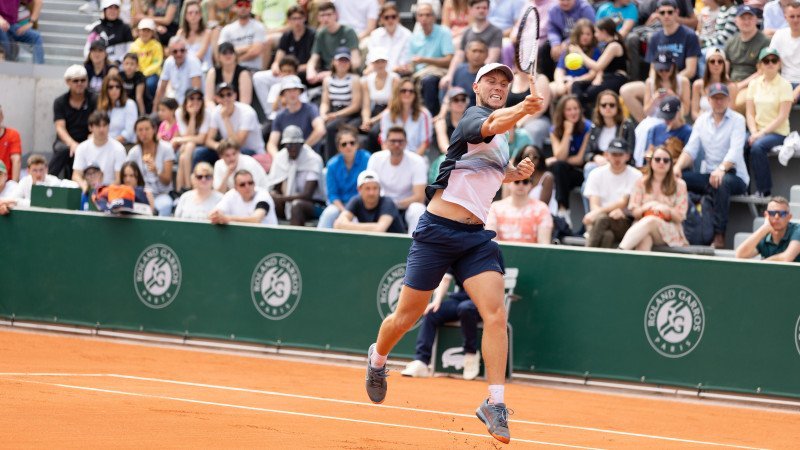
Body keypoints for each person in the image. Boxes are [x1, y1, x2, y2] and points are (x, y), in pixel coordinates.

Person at [364, 62, 543, 445]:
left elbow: (489, 168)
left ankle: (494, 403)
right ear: (477, 87)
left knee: (495, 314)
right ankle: (377, 359)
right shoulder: (473, 118)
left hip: (475, 238)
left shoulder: (503, 137)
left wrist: (515, 172)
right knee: (406, 316)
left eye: (504, 83)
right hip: (437, 232)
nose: (498, 86)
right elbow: (491, 125)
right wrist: (523, 109)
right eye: (491, 81)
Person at [675, 83, 748, 249]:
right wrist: (677, 167)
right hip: (710, 175)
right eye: (715, 98)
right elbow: (690, 150)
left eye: (722, 98)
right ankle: (680, 228)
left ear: (729, 100)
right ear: (708, 100)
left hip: (735, 175)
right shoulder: (701, 120)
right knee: (678, 178)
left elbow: (735, 151)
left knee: (720, 183)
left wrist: (722, 169)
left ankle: (719, 234)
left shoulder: (738, 119)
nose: (719, 102)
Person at [400, 272, 482, 380]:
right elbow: (445, 279)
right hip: (459, 300)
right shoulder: (457, 254)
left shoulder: (491, 254)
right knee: (432, 312)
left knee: (465, 308)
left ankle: (471, 355)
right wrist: (436, 302)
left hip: (483, 302)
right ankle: (421, 361)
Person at [618, 146, 689, 251]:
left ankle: (620, 251)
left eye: (666, 160)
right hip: (642, 227)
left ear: (670, 164)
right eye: (657, 159)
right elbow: (634, 212)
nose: (661, 163)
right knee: (645, 238)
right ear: (651, 162)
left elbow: (680, 217)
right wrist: (646, 208)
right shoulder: (640, 182)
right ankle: (639, 267)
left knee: (650, 221)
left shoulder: (680, 184)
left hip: (670, 229)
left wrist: (666, 209)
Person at [746, 47, 793, 197]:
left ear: (779, 64)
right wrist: (754, 132)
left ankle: (764, 191)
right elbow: (750, 112)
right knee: (741, 143)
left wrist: (760, 134)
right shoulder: (753, 84)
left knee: (757, 147)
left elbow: (782, 116)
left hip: (778, 132)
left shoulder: (785, 85)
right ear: (760, 65)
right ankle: (744, 188)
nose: (770, 63)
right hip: (758, 130)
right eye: (766, 61)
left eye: (774, 60)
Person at [395, 2, 454, 117]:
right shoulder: (414, 37)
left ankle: (430, 117)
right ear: (417, 17)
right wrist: (404, 68)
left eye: (428, 15)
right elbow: (411, 63)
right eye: (421, 15)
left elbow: (449, 60)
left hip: (438, 72)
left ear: (434, 17)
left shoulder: (444, 32)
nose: (424, 18)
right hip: (418, 73)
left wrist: (425, 60)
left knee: (428, 81)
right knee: (397, 79)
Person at [583, 138, 642, 248]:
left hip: (623, 221)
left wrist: (598, 213)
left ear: (627, 156)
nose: (617, 158)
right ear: (607, 155)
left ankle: (586, 254)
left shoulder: (636, 175)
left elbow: (623, 202)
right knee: (607, 236)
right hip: (600, 222)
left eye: (620, 154)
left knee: (602, 219)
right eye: (614, 154)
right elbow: (593, 204)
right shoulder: (596, 174)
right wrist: (599, 213)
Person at [367, 126, 428, 233]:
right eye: (393, 141)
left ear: (406, 143)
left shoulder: (417, 161)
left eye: (400, 141)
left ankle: (414, 246)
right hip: (380, 206)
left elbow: (419, 197)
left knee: (418, 209)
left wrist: (394, 204)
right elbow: (367, 189)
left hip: (406, 208)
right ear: (385, 142)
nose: (397, 144)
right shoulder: (375, 158)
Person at [265, 125, 325, 225]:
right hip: (286, 203)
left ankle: (293, 240)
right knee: (269, 202)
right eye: (287, 145)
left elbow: (307, 195)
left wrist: (281, 198)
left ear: (301, 144)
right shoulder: (281, 158)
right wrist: (274, 194)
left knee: (297, 205)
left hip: (314, 204)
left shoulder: (313, 159)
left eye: (294, 144)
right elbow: (276, 186)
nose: (291, 148)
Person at [440, 0, 503, 93]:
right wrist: (449, 75)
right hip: (467, 70)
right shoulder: (467, 32)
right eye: (478, 8)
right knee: (445, 85)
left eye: (484, 8)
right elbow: (459, 55)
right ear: (471, 9)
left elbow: (492, 58)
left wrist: (478, 76)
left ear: (488, 10)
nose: (481, 10)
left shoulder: (496, 31)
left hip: (486, 72)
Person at [569, 18, 629, 114]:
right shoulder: (606, 45)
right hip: (606, 77)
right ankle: (580, 113)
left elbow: (598, 66)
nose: (595, 35)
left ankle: (584, 116)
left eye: (596, 32)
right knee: (576, 84)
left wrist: (579, 53)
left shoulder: (614, 45)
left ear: (604, 32)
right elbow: (602, 68)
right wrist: (598, 78)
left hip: (617, 78)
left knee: (587, 95)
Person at [547, 95, 591, 225]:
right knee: (559, 167)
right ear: (562, 112)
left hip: (582, 172)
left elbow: (579, 160)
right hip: (565, 173)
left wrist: (555, 159)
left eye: (576, 108)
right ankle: (563, 211)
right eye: (569, 109)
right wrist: (567, 132)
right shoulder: (555, 129)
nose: (573, 112)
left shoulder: (587, 127)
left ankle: (562, 213)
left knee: (558, 165)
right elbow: (560, 157)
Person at [318, 126, 370, 229]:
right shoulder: (332, 164)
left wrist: (350, 211)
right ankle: (318, 242)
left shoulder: (367, 158)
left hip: (361, 204)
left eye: (352, 143)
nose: (348, 146)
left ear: (357, 144)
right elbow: (333, 194)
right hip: (339, 205)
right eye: (344, 144)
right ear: (339, 147)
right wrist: (344, 211)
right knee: (329, 213)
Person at [724, 6, 770, 113]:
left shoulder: (764, 41)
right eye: (743, 18)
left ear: (756, 20)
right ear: (736, 21)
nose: (746, 21)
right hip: (731, 83)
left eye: (750, 18)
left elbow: (762, 71)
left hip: (753, 85)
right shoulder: (731, 41)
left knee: (738, 103)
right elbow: (724, 68)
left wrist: (739, 85)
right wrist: (728, 83)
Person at [127, 116, 176, 216]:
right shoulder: (134, 152)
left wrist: (156, 170)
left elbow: (167, 181)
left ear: (154, 129)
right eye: (140, 130)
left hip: (161, 194)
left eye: (147, 129)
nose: (144, 133)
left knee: (165, 206)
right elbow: (128, 177)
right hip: (140, 194)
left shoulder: (166, 148)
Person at [320, 48, 363, 162]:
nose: (342, 63)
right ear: (334, 62)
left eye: (346, 61)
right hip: (334, 112)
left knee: (331, 128)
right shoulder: (327, 80)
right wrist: (323, 114)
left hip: (350, 114)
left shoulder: (354, 79)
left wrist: (336, 115)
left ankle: (330, 160)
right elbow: (325, 102)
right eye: (340, 60)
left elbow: (355, 106)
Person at [266, 76, 325, 157]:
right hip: (289, 159)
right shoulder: (279, 116)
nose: (292, 93)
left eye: (295, 90)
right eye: (288, 90)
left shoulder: (311, 109)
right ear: (283, 94)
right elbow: (271, 143)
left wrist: (303, 149)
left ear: (300, 92)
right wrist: (278, 158)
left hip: (310, 157)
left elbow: (320, 130)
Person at [486, 174, 553, 244]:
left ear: (531, 185)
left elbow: (544, 244)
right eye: (517, 181)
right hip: (500, 254)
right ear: (508, 183)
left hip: (532, 254)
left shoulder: (542, 208)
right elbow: (492, 241)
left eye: (525, 182)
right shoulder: (495, 208)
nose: (521, 185)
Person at [333, 169, 406, 233]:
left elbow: (379, 229)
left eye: (375, 188)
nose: (372, 193)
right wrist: (372, 228)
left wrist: (347, 226)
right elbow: (338, 224)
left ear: (379, 189)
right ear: (359, 190)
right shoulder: (356, 200)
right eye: (367, 188)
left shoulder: (387, 202)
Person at [583, 90, 636, 178]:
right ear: (598, 108)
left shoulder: (626, 126)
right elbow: (586, 153)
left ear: (617, 107)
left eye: (612, 105)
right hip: (598, 164)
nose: (608, 108)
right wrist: (595, 157)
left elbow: (630, 152)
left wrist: (611, 159)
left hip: (619, 162)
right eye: (604, 105)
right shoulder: (595, 127)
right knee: (589, 167)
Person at [306, 2, 360, 85]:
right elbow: (313, 58)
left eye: (329, 14)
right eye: (322, 15)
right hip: (325, 75)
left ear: (336, 15)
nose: (325, 18)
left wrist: (331, 73)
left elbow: (356, 62)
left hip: (346, 74)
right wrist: (310, 71)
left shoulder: (348, 31)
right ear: (318, 18)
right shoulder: (320, 34)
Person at [72, 111, 127, 189]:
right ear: (90, 127)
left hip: (111, 193)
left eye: (104, 125)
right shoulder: (82, 148)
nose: (102, 129)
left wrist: (102, 192)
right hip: (87, 191)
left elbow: (119, 179)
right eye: (98, 126)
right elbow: (76, 175)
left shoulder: (119, 149)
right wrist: (84, 185)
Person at [379, 79, 433, 158]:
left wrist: (412, 162)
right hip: (392, 158)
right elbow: (384, 142)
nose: (407, 93)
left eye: (411, 91)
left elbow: (425, 142)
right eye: (403, 90)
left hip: (416, 157)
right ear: (397, 93)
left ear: (415, 95)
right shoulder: (387, 115)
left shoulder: (424, 114)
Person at [543, 0, 596, 79]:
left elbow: (591, 30)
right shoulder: (553, 9)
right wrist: (555, 43)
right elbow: (552, 30)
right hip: (561, 39)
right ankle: (550, 80)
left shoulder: (585, 8)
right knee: (546, 48)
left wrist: (568, 42)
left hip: (579, 40)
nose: (565, 2)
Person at [206, 82, 264, 155]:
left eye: (229, 94)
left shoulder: (247, 112)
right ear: (216, 98)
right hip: (228, 150)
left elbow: (237, 144)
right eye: (222, 95)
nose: (226, 98)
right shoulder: (216, 112)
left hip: (251, 152)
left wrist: (225, 118)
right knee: (200, 153)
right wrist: (219, 146)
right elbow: (208, 140)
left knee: (234, 152)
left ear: (235, 95)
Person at [736, 196, 800, 261]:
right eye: (772, 213)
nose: (776, 217)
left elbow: (787, 257)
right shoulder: (764, 236)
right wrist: (764, 228)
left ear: (789, 217)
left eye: (782, 214)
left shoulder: (797, 230)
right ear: (766, 215)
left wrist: (763, 263)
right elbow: (740, 255)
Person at [360, 49, 400, 152]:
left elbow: (392, 105)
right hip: (375, 110)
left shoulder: (394, 79)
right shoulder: (367, 80)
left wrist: (372, 121)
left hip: (391, 111)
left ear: (386, 62)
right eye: (377, 62)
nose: (380, 64)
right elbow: (366, 105)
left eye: (382, 61)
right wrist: (366, 119)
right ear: (372, 64)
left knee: (374, 131)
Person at [549, 18, 600, 100]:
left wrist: (574, 80)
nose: (585, 37)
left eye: (588, 34)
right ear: (577, 34)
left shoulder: (595, 51)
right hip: (566, 79)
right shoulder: (569, 48)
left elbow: (592, 74)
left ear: (593, 35)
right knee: (551, 88)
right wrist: (560, 83)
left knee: (571, 87)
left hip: (582, 82)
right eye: (581, 34)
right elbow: (559, 70)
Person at [174, 87, 212, 191]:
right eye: (192, 98)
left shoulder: (207, 113)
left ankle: (184, 188)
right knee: (184, 154)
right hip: (186, 146)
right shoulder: (179, 112)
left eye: (199, 98)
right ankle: (184, 187)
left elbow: (201, 139)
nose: (195, 101)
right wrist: (192, 116)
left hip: (200, 145)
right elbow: (187, 136)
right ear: (186, 100)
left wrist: (179, 140)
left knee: (188, 148)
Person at [209, 169, 278, 225]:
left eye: (250, 183)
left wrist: (228, 218)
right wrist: (217, 216)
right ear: (236, 187)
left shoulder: (263, 195)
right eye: (242, 184)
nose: (247, 187)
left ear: (254, 184)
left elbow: (256, 219)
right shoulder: (231, 194)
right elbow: (214, 213)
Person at [267, 5, 315, 81]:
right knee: (259, 77)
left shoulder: (312, 35)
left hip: (303, 72)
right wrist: (275, 65)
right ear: (289, 20)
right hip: (285, 72)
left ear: (305, 18)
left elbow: (315, 61)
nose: (297, 22)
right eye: (294, 19)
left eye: (299, 18)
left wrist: (293, 70)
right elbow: (278, 57)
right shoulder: (286, 35)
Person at [216, 0, 265, 72]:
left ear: (251, 7)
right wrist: (247, 48)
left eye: (247, 4)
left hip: (252, 69)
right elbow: (222, 51)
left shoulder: (259, 26)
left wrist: (235, 58)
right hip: (231, 70)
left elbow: (255, 51)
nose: (243, 7)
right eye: (240, 5)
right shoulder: (227, 29)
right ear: (234, 7)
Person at [155, 36, 203, 106]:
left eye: (182, 50)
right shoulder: (168, 62)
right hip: (176, 103)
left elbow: (196, 93)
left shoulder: (193, 62)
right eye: (175, 51)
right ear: (170, 52)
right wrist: (155, 109)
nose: (179, 54)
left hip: (192, 105)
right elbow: (161, 88)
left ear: (186, 51)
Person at [691, 48, 737, 120]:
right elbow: (694, 113)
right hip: (702, 124)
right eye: (712, 61)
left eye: (720, 61)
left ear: (724, 64)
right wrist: (704, 122)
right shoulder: (697, 85)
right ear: (707, 64)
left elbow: (730, 113)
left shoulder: (731, 87)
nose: (716, 64)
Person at [366, 2, 411, 73]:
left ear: (398, 17)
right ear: (381, 19)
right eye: (386, 17)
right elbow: (371, 59)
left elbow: (404, 62)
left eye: (393, 16)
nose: (390, 20)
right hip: (378, 72)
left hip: (399, 74)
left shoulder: (407, 35)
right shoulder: (375, 35)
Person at [205, 41, 253, 107]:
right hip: (218, 110)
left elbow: (245, 102)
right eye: (224, 53)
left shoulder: (243, 73)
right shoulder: (213, 72)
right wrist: (216, 112)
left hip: (238, 111)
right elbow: (208, 100)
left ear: (235, 55)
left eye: (231, 52)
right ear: (219, 56)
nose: (228, 55)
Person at [85, 0, 134, 64]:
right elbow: (87, 48)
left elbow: (129, 49)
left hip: (119, 66)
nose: (113, 11)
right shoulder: (96, 28)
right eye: (110, 8)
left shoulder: (125, 28)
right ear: (104, 10)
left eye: (116, 8)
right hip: (98, 65)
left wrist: (118, 62)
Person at [769, 2, 800, 102]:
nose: (796, 20)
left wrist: (797, 91)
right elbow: (771, 61)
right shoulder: (779, 35)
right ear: (785, 17)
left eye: (799, 16)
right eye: (792, 16)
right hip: (783, 82)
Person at [96, 74, 137, 146]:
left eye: (118, 87)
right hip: (105, 144)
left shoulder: (129, 104)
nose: (114, 89)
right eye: (110, 87)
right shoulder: (102, 107)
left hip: (126, 145)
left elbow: (129, 133)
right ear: (105, 89)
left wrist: (109, 144)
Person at [129, 18, 164, 102]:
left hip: (152, 74)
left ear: (152, 32)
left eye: (148, 31)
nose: (145, 33)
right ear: (139, 31)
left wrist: (145, 73)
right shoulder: (134, 45)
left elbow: (157, 63)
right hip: (137, 73)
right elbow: (131, 61)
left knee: (150, 85)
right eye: (143, 30)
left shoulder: (156, 45)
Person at [0, 0, 44, 64]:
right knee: (6, 45)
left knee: (36, 37)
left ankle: (38, 69)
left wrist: (31, 22)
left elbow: (38, 1)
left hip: (12, 25)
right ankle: (8, 65)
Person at [177, 0, 212, 73]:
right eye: (190, 13)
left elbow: (200, 55)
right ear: (185, 16)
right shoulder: (181, 33)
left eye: (196, 12)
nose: (193, 15)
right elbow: (176, 52)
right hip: (184, 69)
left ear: (201, 15)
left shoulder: (207, 32)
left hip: (203, 69)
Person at [435, 87, 469, 156]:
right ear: (449, 104)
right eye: (456, 100)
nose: (460, 103)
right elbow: (443, 146)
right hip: (445, 158)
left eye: (463, 99)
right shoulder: (441, 123)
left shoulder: (470, 122)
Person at [0, 105, 21, 182]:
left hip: (7, 181)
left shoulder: (12, 134)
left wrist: (14, 185)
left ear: (1, 116)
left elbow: (16, 159)